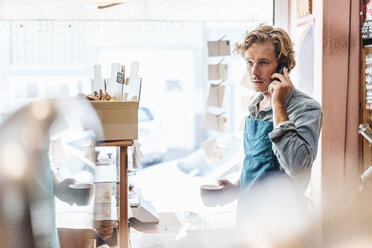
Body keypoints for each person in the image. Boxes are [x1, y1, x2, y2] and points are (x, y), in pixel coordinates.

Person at [215, 25, 323, 218]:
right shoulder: (255, 104)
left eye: (263, 62)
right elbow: (257, 163)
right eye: (249, 62)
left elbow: (297, 167)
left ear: (283, 67)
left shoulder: (306, 108)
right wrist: (236, 187)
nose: (254, 72)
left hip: (281, 226)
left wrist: (279, 105)